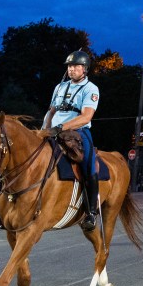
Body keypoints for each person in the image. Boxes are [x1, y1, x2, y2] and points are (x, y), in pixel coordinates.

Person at [43, 49, 101, 229]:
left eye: (76, 66)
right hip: (53, 131)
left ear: (85, 69)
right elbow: (51, 111)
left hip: (77, 132)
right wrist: (44, 129)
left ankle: (91, 211)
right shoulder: (59, 87)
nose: (71, 69)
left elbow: (86, 117)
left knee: (88, 165)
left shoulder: (91, 89)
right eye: (69, 66)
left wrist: (61, 127)